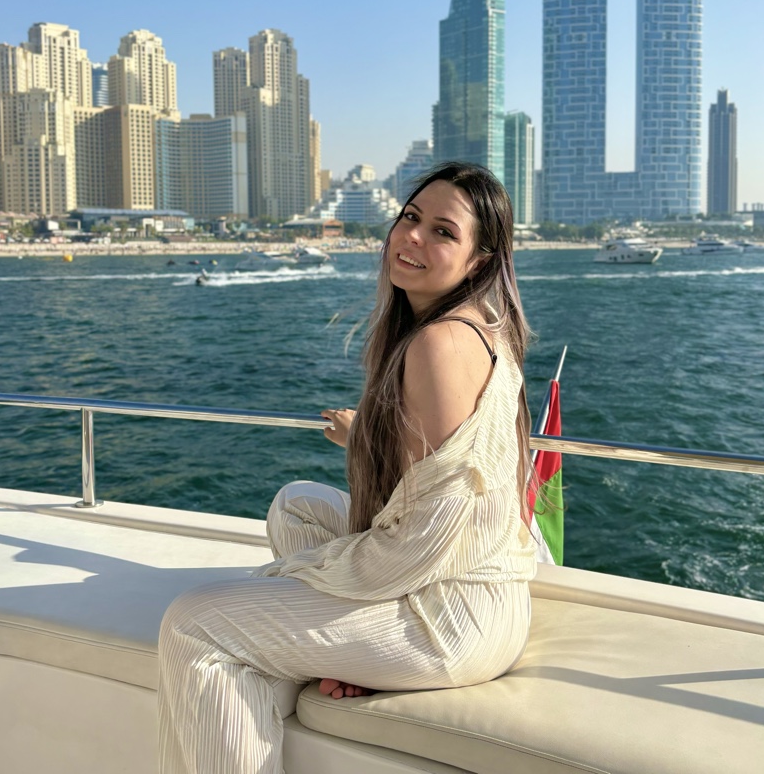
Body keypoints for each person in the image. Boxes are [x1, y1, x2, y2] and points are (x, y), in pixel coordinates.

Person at [158, 162, 538, 774]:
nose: (412, 236)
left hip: (450, 618)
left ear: (479, 262)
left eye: (443, 232)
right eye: (410, 217)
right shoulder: (480, 328)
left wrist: (294, 575)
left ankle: (329, 651)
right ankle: (333, 654)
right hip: (475, 589)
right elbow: (453, 472)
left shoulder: (439, 344)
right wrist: (364, 438)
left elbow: (427, 540)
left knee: (195, 623)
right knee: (298, 506)